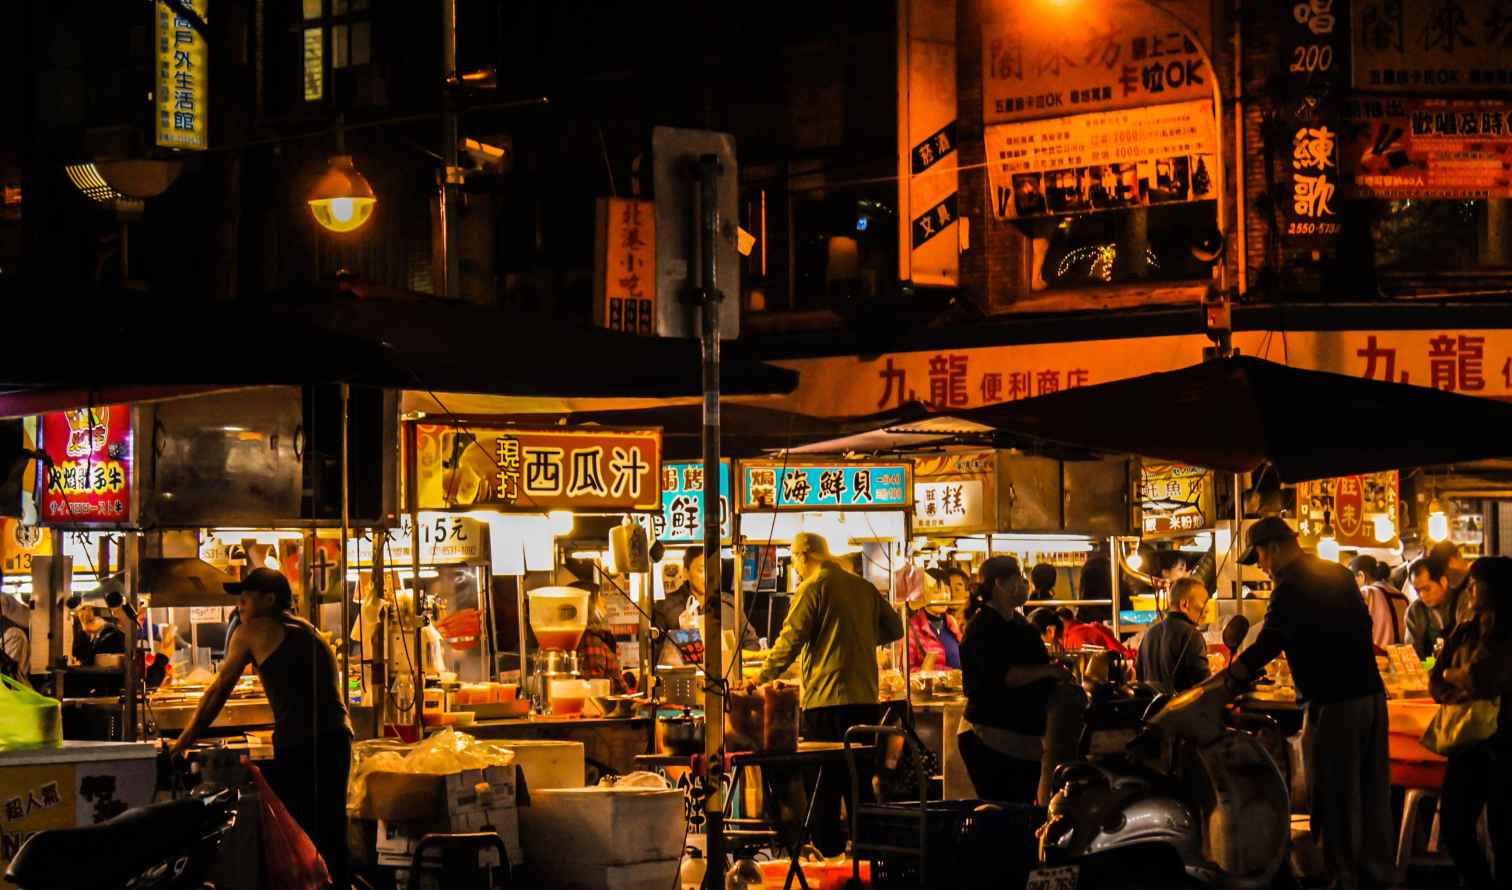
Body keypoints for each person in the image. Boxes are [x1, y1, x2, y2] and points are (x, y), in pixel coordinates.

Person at [1225, 517, 1394, 890]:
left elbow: (1269, 641)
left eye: (1261, 559)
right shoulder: (1338, 574)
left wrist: (1231, 677)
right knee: (1372, 792)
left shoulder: (1290, 586)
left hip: (1334, 703)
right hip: (1371, 696)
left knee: (1336, 794)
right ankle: (1378, 876)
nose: (1264, 568)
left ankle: (1343, 879)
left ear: (1272, 547)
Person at [168, 568, 353, 888]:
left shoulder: (252, 629)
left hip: (301, 743)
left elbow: (218, 691)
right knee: (332, 830)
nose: (239, 602)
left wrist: (183, 741)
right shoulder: (307, 629)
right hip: (337, 738)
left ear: (268, 599)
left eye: (246, 595)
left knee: (298, 828)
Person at [757, 532, 904, 856]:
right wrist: (859, 639)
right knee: (859, 786)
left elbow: (788, 643)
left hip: (826, 704)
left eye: (794, 557)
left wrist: (759, 679)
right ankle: (868, 862)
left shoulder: (813, 587)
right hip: (866, 703)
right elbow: (896, 628)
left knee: (824, 789)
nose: (793, 565)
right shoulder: (862, 587)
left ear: (805, 555)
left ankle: (829, 864)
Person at [957, 556, 1071, 803]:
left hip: (1022, 739)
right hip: (991, 736)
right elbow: (1003, 676)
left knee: (1021, 813)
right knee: (1004, 814)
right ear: (1000, 583)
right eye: (1019, 577)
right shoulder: (983, 628)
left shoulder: (1019, 624)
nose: (1024, 583)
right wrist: (1048, 671)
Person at [1429, 556, 1512, 889]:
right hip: (1466, 742)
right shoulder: (1465, 629)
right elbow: (1437, 678)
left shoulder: (1508, 632)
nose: (1471, 590)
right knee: (1455, 826)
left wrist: (1462, 677)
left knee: (1505, 834)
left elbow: (1486, 679)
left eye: (1478, 584)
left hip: (1506, 743)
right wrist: (1452, 683)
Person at [652, 547, 755, 666]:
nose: (710, 576)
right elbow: (655, 653)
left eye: (715, 569)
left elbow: (751, 642)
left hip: (725, 679)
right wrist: (681, 636)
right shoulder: (666, 606)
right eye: (701, 570)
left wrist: (736, 664)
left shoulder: (729, 604)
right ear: (686, 573)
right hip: (683, 681)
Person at [1135, 577, 1212, 694]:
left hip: (1152, 711)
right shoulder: (1192, 635)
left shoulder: (1149, 634)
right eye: (1204, 603)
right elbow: (1204, 686)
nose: (1207, 610)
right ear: (1184, 604)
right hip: (1182, 711)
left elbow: (1140, 680)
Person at [575, 583, 628, 694]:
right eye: (599, 598)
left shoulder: (595, 637)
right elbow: (595, 687)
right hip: (606, 708)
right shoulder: (591, 640)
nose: (604, 603)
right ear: (589, 605)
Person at [1351, 555, 1408, 649]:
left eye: (1354, 578)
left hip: (1379, 657)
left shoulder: (1367, 592)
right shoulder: (1401, 595)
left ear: (1361, 575)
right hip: (1402, 656)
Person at [1407, 556, 1458, 660]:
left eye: (1427, 589)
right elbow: (1412, 651)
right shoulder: (1416, 611)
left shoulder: (1461, 602)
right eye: (1417, 590)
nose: (1422, 595)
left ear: (1443, 582)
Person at [906, 580, 963, 672]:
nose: (944, 596)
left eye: (947, 591)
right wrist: (944, 673)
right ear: (923, 595)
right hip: (933, 685)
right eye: (936, 591)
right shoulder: (912, 628)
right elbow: (906, 670)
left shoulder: (952, 622)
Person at [1429, 540, 1476, 628]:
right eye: (1459, 555)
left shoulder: (1447, 594)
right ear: (1451, 562)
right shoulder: (1470, 588)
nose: (1464, 560)